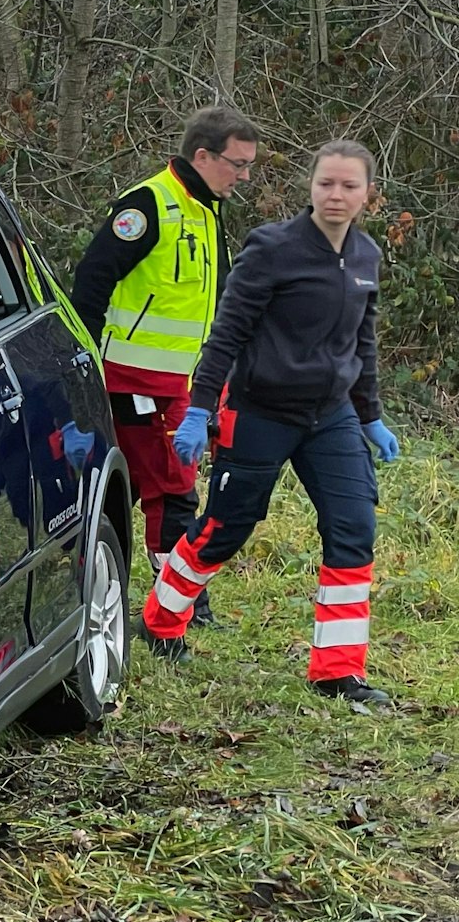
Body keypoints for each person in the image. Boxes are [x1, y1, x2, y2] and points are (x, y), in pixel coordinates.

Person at [141, 140, 399, 703]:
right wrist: (200, 409)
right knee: (226, 526)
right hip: (259, 412)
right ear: (310, 186)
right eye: (326, 183)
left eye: (349, 186)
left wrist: (370, 417)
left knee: (354, 528)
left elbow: (363, 342)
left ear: (367, 194)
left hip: (330, 419)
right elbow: (226, 335)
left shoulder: (365, 258)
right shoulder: (272, 248)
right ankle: (162, 617)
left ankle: (337, 672)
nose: (336, 195)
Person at [71, 106, 259, 628]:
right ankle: (179, 606)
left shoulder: (206, 207)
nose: (244, 176)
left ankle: (118, 588)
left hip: (182, 382)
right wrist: (87, 359)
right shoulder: (150, 205)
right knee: (172, 489)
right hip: (135, 380)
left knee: (134, 486)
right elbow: (92, 279)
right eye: (237, 164)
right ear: (203, 156)